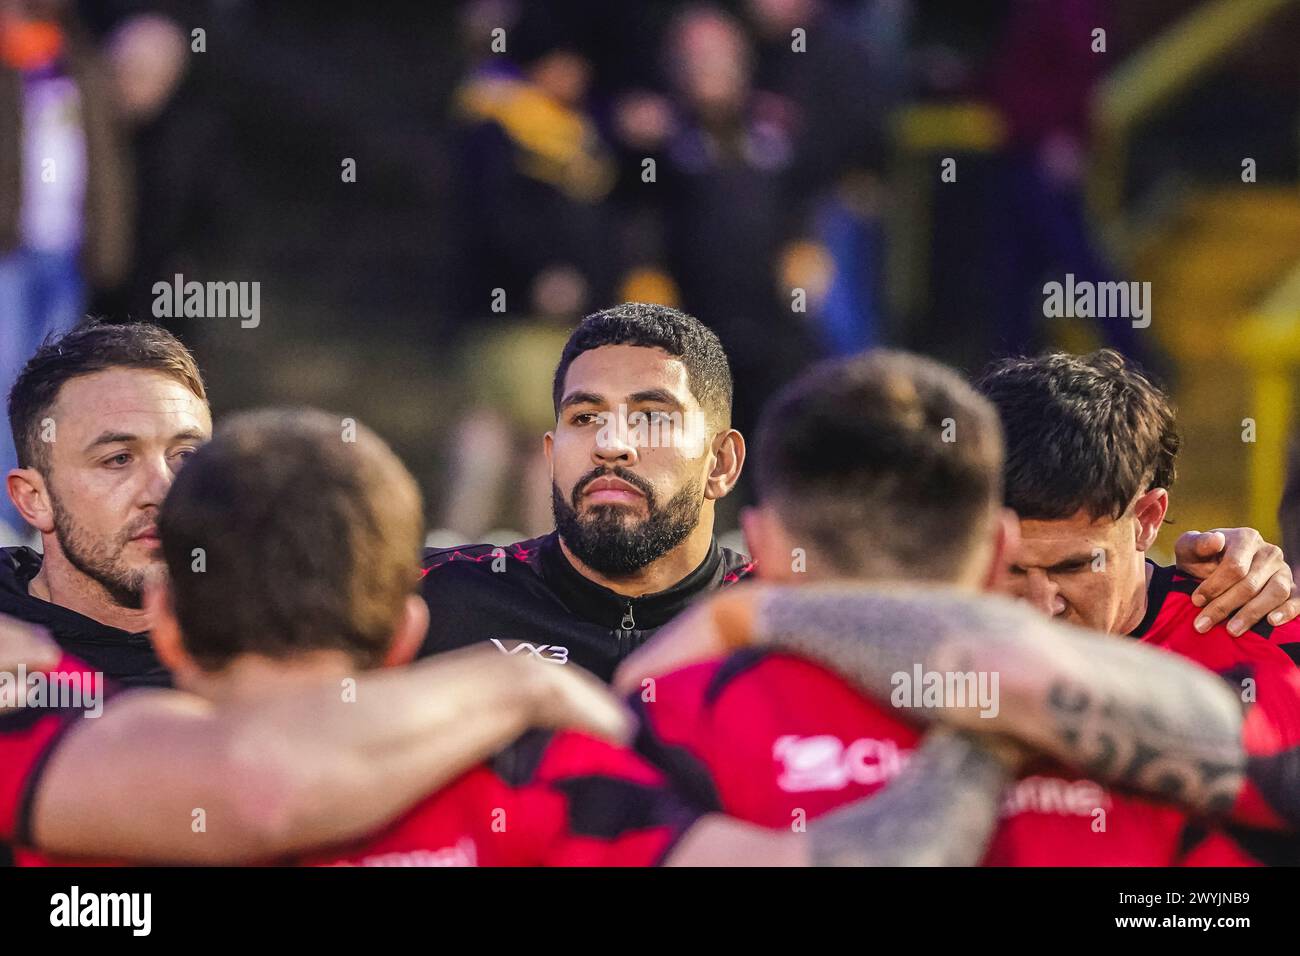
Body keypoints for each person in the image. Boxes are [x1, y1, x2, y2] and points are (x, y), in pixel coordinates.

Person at [24, 406, 1031, 866]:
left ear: (164, 616)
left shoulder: (50, 763)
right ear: (406, 625)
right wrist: (989, 729)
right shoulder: (549, 786)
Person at [617, 350, 1300, 863]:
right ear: (986, 535)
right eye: (1012, 572)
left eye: (1072, 567)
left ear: (1150, 518)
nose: (1039, 603)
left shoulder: (1259, 634)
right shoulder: (757, 644)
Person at [419, 302, 752, 681]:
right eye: (585, 418)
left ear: (722, 462)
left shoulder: (782, 626)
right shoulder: (433, 596)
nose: (610, 444)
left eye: (651, 417)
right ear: (551, 456)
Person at [2, 318, 210, 685]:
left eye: (186, 456)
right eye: (119, 459)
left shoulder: (270, 650)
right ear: (35, 499)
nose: (161, 492)